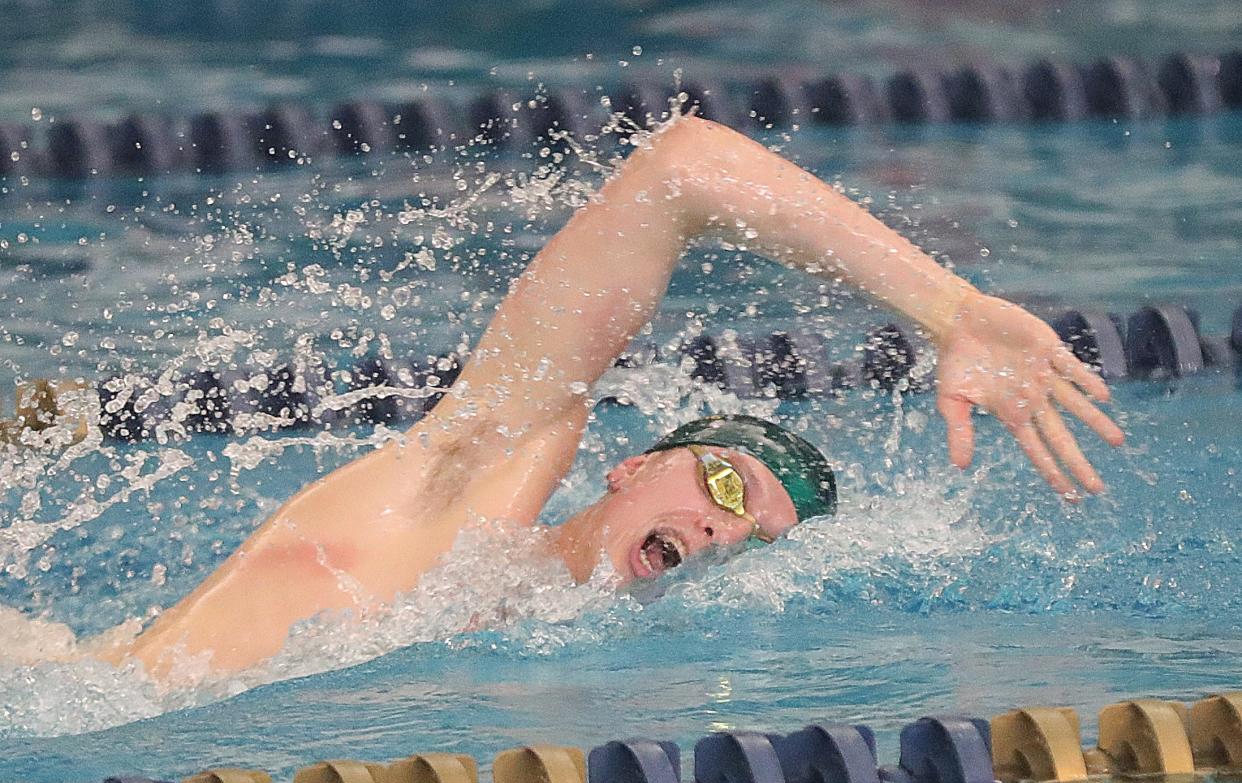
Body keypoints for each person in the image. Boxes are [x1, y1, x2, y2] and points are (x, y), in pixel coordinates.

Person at [101, 115, 1123, 679]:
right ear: (630, 468)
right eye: (724, 486)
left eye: (752, 538)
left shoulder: (560, 668)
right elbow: (684, 170)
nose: (724, 533)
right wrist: (951, 311)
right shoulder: (453, 500)